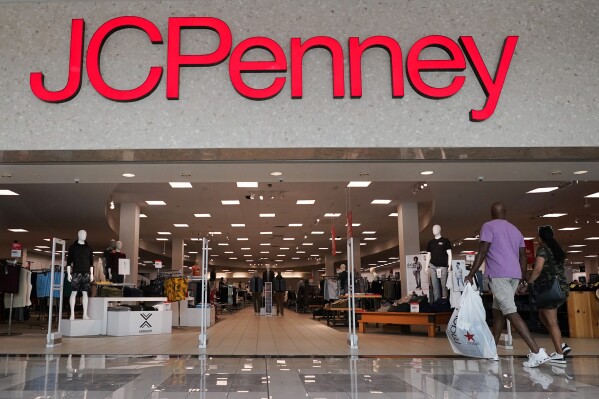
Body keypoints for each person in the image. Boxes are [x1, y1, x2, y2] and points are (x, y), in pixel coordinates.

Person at [465, 202, 550, 368]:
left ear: (491, 213)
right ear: (505, 212)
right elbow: (523, 256)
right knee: (498, 313)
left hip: (499, 275)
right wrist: (522, 277)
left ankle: (536, 351)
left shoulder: (488, 226)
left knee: (510, 312)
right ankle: (491, 350)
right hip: (514, 276)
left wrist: (471, 273)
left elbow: (482, 251)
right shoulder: (515, 230)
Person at [524, 225, 571, 364]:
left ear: (540, 238)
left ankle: (559, 353)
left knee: (551, 322)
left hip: (550, 290)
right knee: (543, 316)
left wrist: (530, 282)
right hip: (561, 288)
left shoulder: (543, 250)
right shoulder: (557, 250)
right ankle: (561, 345)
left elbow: (538, 269)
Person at [67, 230, 94, 320]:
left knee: (85, 293)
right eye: (82, 234)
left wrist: (92, 274)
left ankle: (85, 314)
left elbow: (91, 262)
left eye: (85, 234)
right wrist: (68, 273)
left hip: (86, 273)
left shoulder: (89, 248)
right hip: (76, 272)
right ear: (78, 235)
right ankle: (72, 314)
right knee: (74, 292)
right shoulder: (73, 247)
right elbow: (68, 262)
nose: (84, 235)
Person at [425, 225, 452, 301]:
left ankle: (445, 302)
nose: (434, 230)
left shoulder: (445, 241)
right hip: (433, 266)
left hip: (443, 266)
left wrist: (449, 266)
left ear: (440, 230)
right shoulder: (430, 242)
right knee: (435, 286)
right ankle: (437, 303)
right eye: (433, 229)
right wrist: (426, 266)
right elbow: (428, 255)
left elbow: (450, 254)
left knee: (444, 286)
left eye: (436, 228)